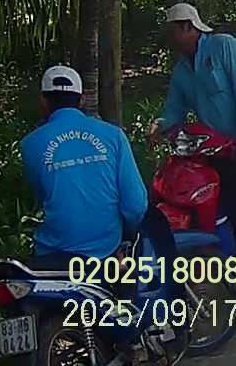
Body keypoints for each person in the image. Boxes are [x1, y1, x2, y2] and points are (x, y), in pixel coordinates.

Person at [150, 2, 236, 302]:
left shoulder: (224, 47)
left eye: (172, 32)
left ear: (187, 27)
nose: (169, 40)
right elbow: (174, 109)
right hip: (217, 155)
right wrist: (161, 127)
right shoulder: (182, 69)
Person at [20, 66, 148, 267]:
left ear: (43, 101)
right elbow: (136, 205)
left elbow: (42, 195)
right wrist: (128, 235)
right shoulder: (114, 135)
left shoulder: (30, 144)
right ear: (82, 100)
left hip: (53, 257)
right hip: (106, 253)